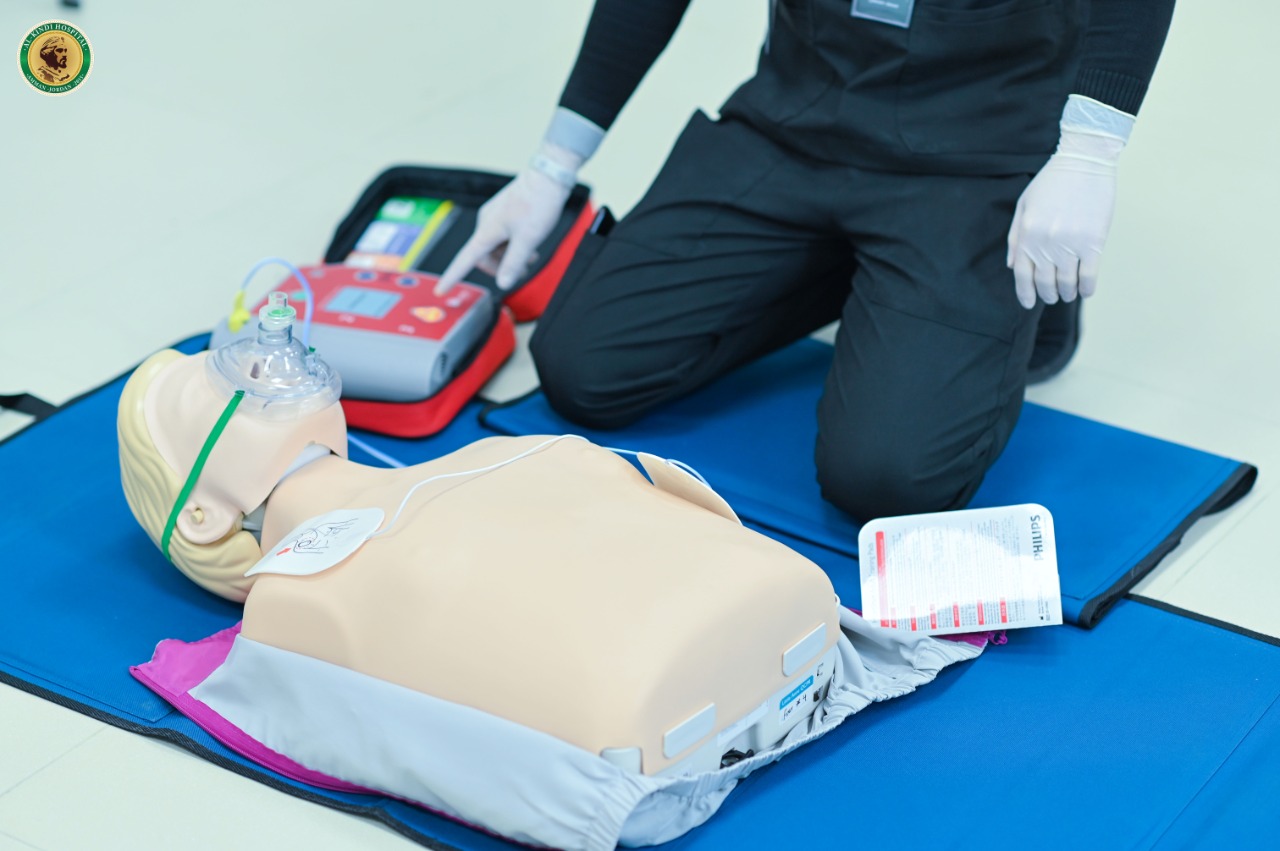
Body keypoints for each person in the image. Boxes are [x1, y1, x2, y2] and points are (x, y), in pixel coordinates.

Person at [436, 0, 1175, 522]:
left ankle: (1006, 294)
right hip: (798, 118)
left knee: (886, 479)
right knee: (584, 368)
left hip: (978, 148)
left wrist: (1088, 153)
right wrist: (551, 168)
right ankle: (851, 267)